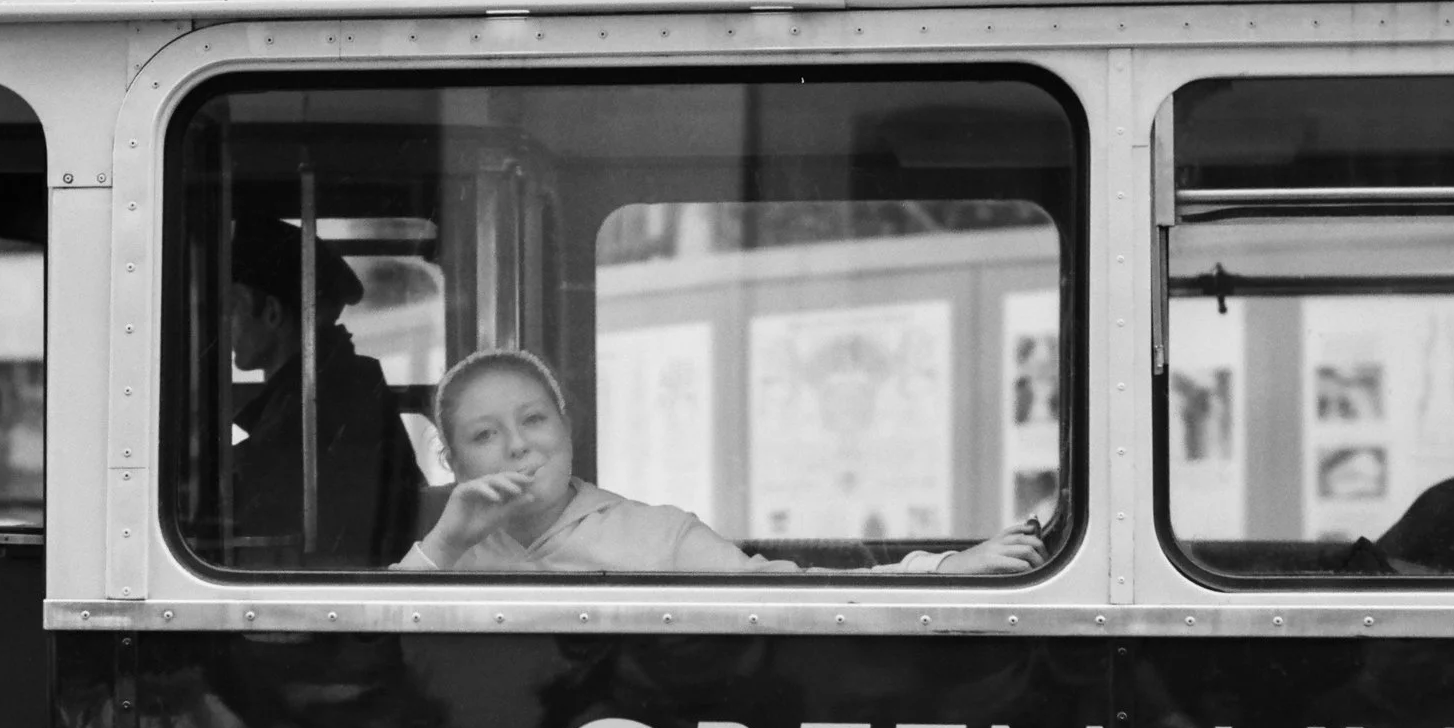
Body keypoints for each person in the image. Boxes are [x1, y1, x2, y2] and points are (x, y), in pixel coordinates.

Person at [397, 348, 1043, 575]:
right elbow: (363, 652)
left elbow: (794, 593)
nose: (518, 445)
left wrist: (944, 569)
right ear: (451, 460)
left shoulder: (660, 535)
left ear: (569, 427)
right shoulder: (444, 552)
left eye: (535, 419)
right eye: (485, 434)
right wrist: (447, 541)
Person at [224, 218, 425, 567]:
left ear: (271, 313)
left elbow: (254, 489)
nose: (224, 324)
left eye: (234, 308)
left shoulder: (324, 399)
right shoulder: (328, 384)